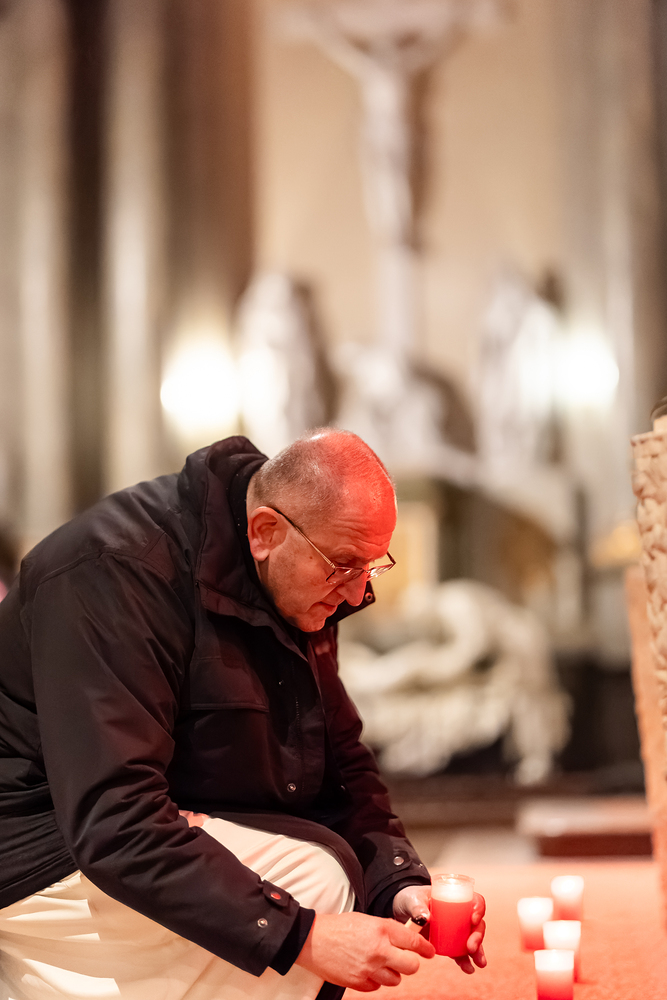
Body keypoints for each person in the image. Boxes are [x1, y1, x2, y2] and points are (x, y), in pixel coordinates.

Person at [0, 430, 486, 999]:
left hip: (133, 824)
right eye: (343, 566)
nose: (356, 595)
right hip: (35, 845)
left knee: (326, 873)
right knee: (314, 881)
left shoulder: (295, 577)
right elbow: (113, 818)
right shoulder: (116, 573)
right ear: (264, 533)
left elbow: (338, 760)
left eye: (370, 567)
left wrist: (398, 884)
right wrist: (302, 937)